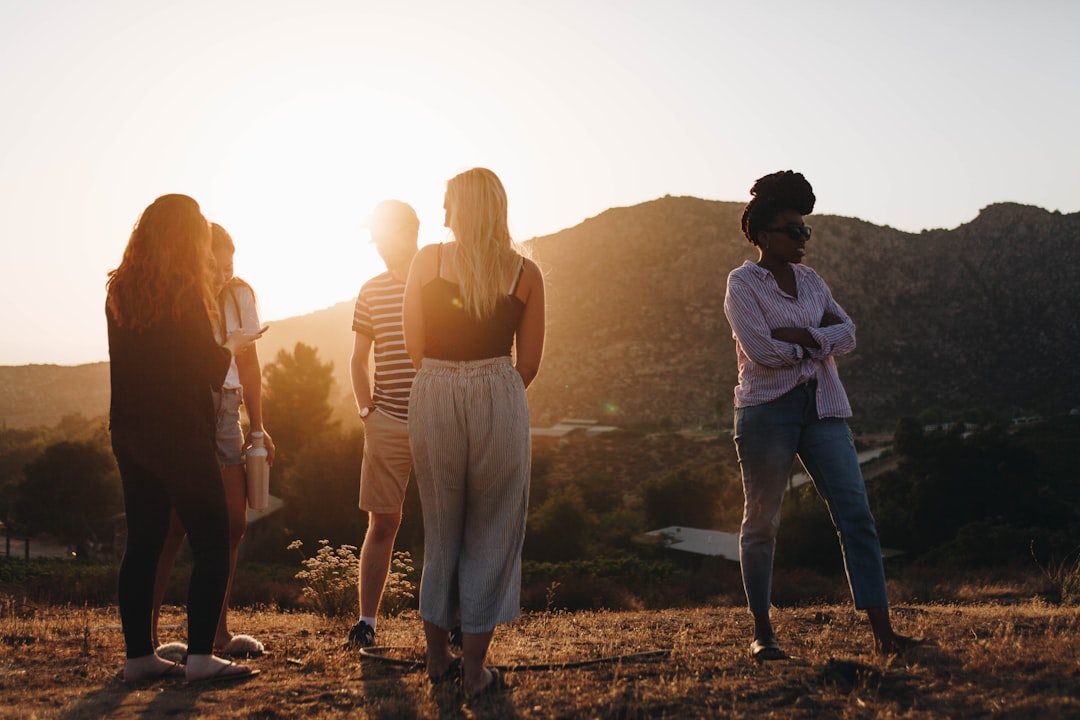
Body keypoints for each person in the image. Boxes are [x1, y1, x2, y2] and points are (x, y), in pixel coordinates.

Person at [723, 170, 919, 659]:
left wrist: (803, 336)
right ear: (764, 234)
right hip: (766, 410)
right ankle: (763, 633)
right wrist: (818, 341)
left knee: (856, 515)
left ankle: (882, 633)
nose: (803, 238)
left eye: (806, 230)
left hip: (823, 407)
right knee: (762, 523)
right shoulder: (742, 284)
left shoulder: (813, 282)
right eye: (794, 230)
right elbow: (762, 351)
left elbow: (848, 333)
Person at [106, 194, 263, 683]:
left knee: (144, 542)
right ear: (185, 237)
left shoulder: (121, 289)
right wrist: (233, 346)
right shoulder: (185, 292)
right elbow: (209, 367)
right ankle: (201, 657)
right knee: (214, 540)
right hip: (178, 432)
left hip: (129, 431)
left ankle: (138, 659)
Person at [402, 167, 545, 696]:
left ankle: (437, 661)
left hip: (434, 385)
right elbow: (529, 363)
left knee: (441, 531)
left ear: (464, 208)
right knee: (492, 530)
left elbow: (415, 346)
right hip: (498, 390)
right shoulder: (525, 272)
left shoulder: (427, 261)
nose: (442, 214)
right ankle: (474, 671)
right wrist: (493, 393)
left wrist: (445, 380)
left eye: (447, 203)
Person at [150, 222, 275, 658]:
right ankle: (147, 643)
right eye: (215, 266)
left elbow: (251, 365)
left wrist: (257, 426)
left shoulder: (240, 295)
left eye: (229, 266)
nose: (223, 275)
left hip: (227, 409)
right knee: (171, 527)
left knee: (232, 525)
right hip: (184, 410)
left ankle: (218, 633)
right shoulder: (178, 297)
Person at [345, 200, 420, 649]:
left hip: (437, 419)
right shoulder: (370, 289)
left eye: (386, 238)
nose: (380, 248)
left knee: (447, 524)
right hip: (386, 421)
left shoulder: (439, 278)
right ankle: (367, 621)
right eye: (376, 241)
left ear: (412, 232)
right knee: (383, 524)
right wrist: (366, 412)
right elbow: (357, 359)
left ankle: (449, 617)